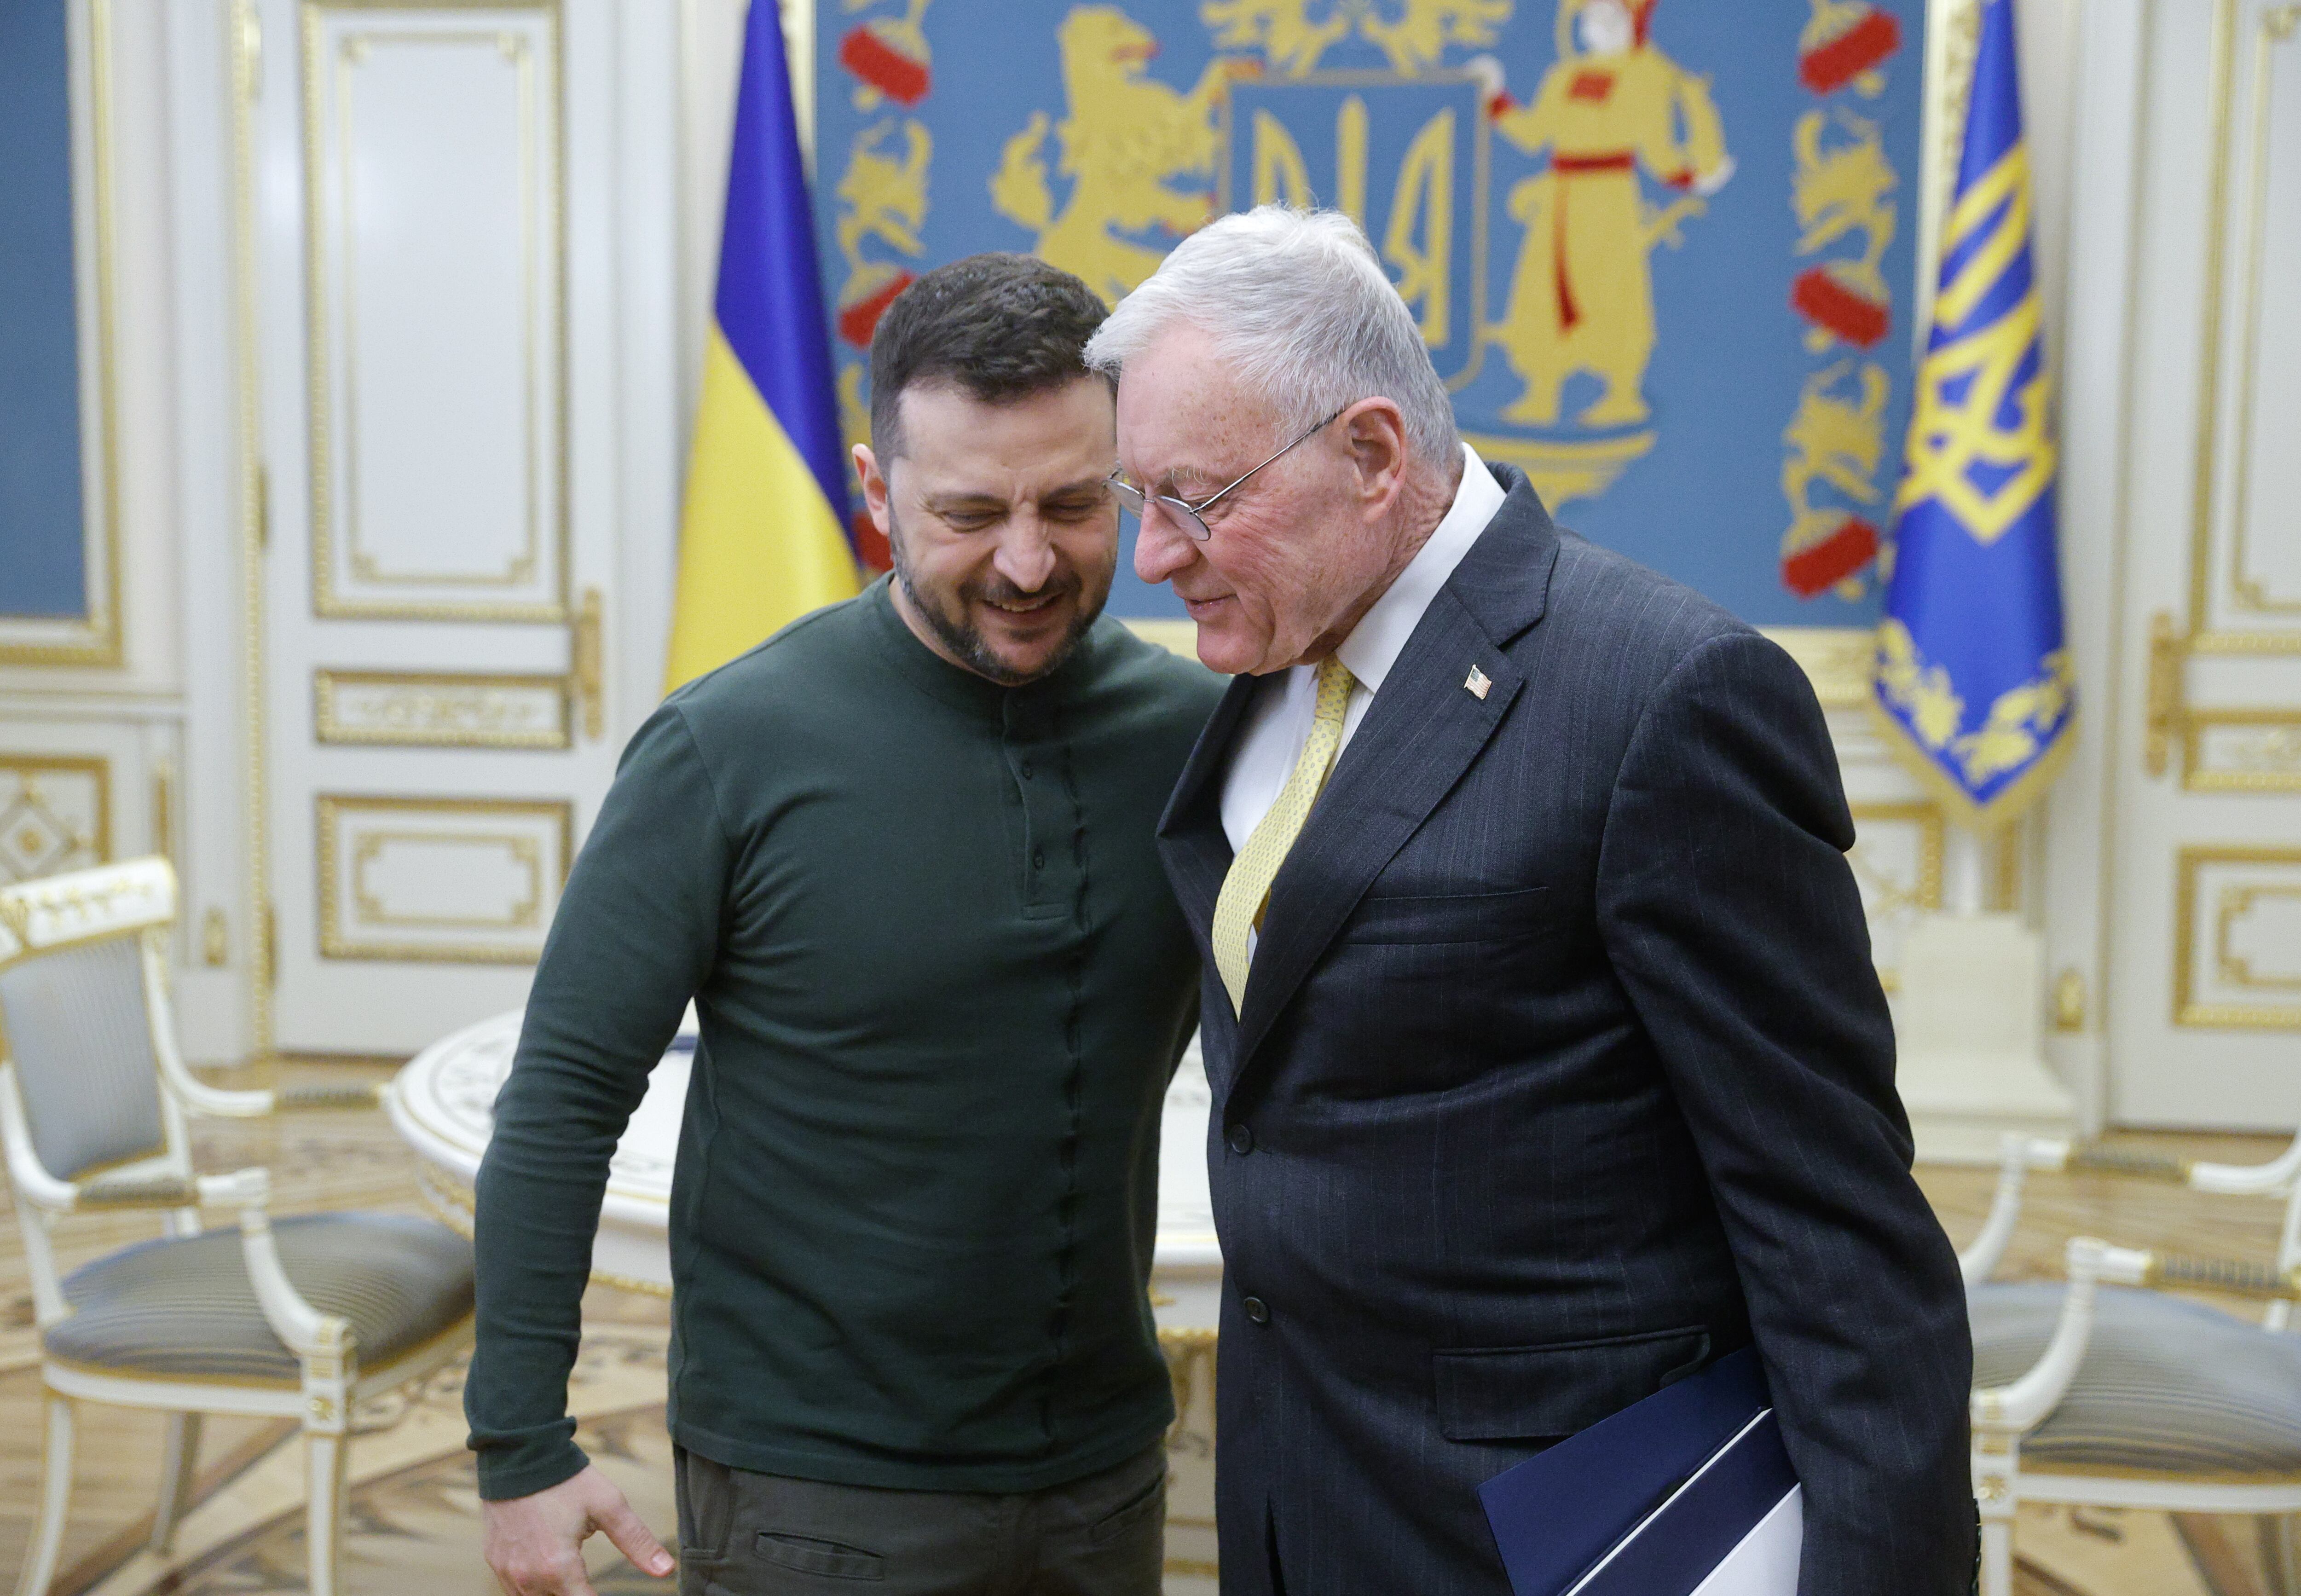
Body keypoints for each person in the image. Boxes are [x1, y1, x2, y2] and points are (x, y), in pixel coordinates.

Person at [1084, 206, 1974, 1595]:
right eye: (1139, 500)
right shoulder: (1274, 658)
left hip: (1570, 1538)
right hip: (1296, 1502)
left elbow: (1836, 1228)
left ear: (1372, 454)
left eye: (1193, 499)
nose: (1152, 557)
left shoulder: (1663, 697)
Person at [468, 253, 1224, 1596]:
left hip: (1107, 1474)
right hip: (814, 1497)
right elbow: (563, 1100)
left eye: (1071, 501)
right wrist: (519, 1445)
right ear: (876, 496)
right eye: (971, 511)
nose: (1030, 559)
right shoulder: (726, 749)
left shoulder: (1202, 737)